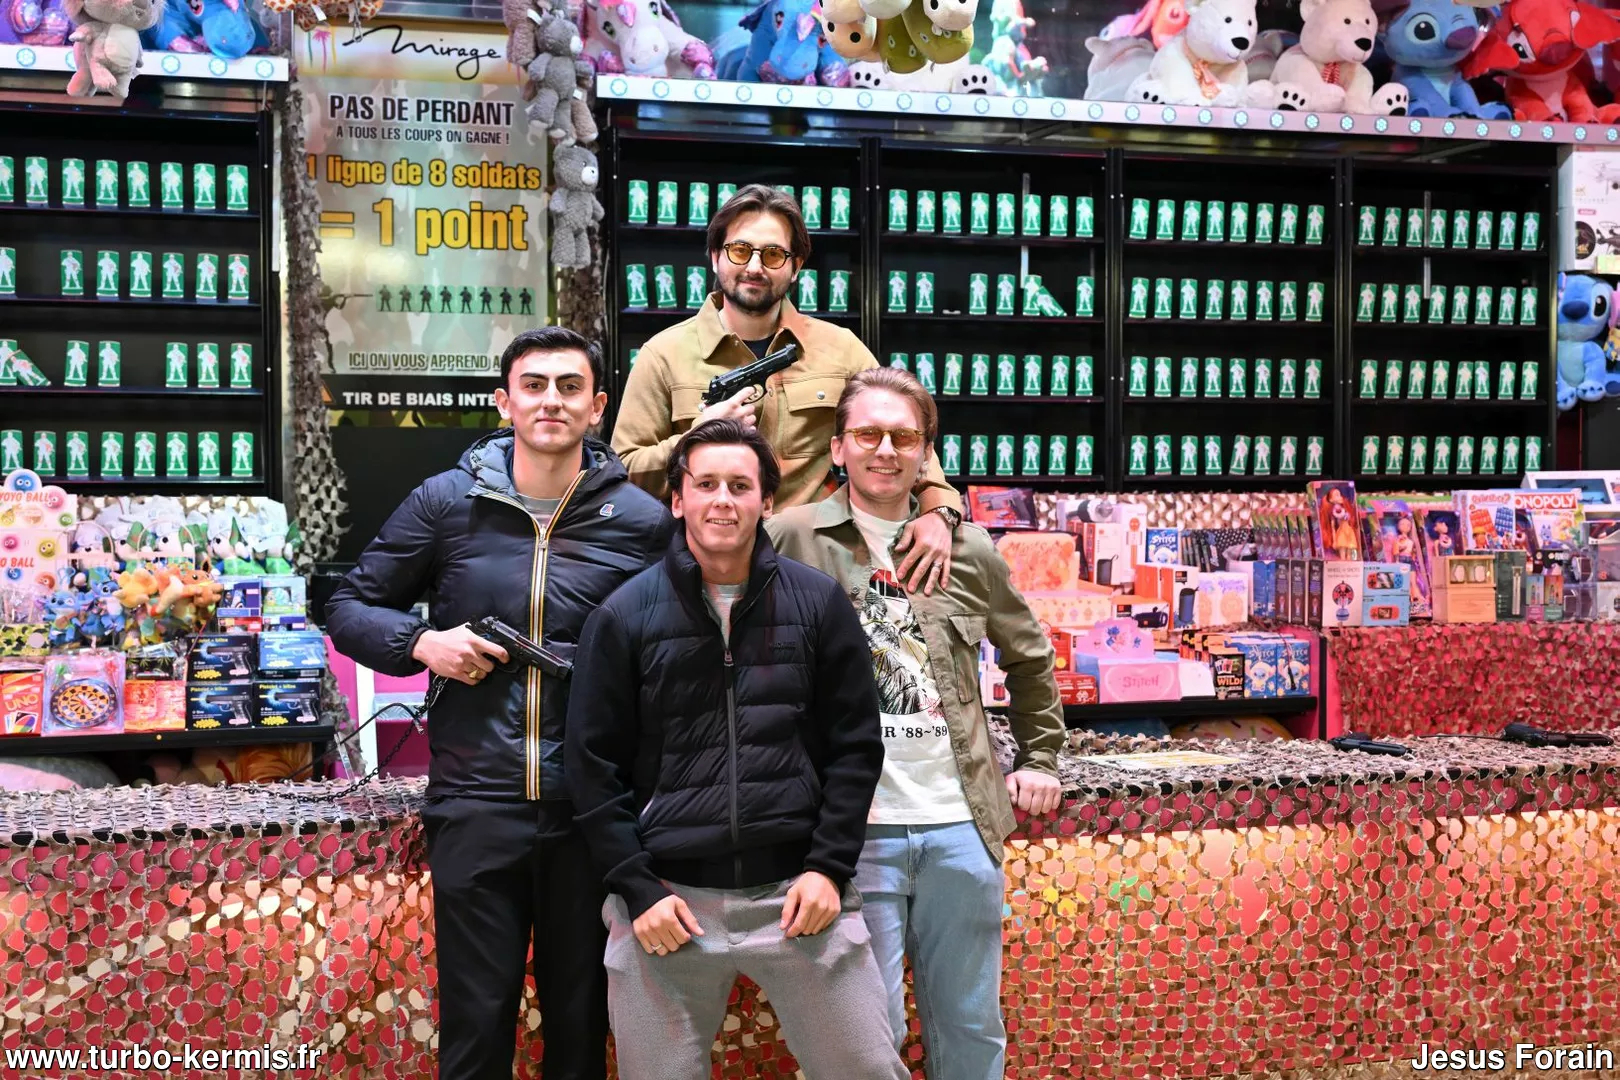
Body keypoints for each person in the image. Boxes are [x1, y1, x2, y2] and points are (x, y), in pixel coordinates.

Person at [325, 326, 672, 1080]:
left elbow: (674, 657)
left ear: (598, 406)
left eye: (571, 387)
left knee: (582, 1026)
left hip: (593, 812)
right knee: (476, 1027)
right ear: (504, 401)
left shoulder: (642, 523)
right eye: (534, 385)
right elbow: (348, 606)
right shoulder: (446, 503)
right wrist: (423, 642)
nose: (552, 401)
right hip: (476, 802)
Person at [565, 419, 911, 1080]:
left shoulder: (818, 603)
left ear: (766, 501)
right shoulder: (624, 615)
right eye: (706, 485)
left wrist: (828, 867)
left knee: (868, 1068)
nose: (722, 500)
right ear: (677, 500)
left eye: (740, 485)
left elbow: (856, 746)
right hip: (667, 904)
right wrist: (636, 888)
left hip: (799, 896)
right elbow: (592, 766)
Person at [765, 367, 1066, 1080]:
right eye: (867, 434)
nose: (885, 450)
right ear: (837, 447)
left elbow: (1030, 657)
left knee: (970, 1028)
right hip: (849, 833)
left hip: (961, 825)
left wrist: (1040, 758)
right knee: (870, 1037)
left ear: (926, 452)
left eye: (904, 438)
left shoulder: (970, 550)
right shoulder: (789, 538)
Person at [611, 183, 963, 594]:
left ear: (795, 267)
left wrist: (939, 511)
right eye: (740, 250)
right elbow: (623, 473)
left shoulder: (840, 349)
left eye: (773, 254)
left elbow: (905, 436)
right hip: (705, 573)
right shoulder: (663, 354)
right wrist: (695, 436)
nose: (754, 267)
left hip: (817, 570)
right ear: (715, 256)